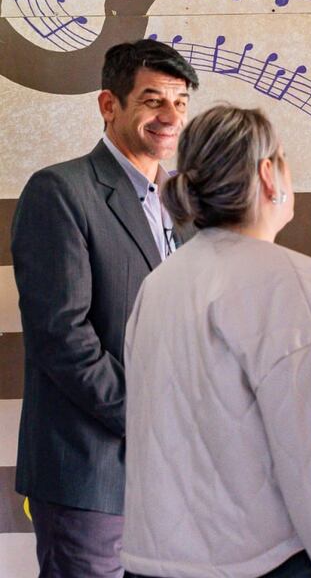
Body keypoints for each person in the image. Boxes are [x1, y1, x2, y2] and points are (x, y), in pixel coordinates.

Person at [121, 106, 311, 577]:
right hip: (270, 564)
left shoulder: (161, 284)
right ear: (269, 175)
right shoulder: (298, 286)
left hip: (158, 562)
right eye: (285, 159)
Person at [10, 39, 198, 577]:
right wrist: (148, 420)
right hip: (91, 471)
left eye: (181, 101)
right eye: (152, 100)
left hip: (173, 476)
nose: (170, 116)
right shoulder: (60, 191)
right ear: (109, 105)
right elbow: (62, 337)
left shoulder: (181, 202)